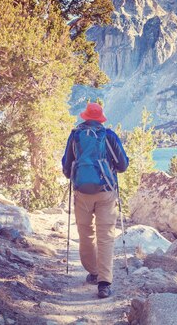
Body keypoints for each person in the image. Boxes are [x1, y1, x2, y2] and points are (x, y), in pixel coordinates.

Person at [61, 102, 129, 298]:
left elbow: (67, 167)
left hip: (82, 193)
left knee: (85, 234)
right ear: (101, 119)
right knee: (106, 236)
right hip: (106, 192)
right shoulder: (108, 136)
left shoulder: (75, 136)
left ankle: (93, 271)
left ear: (85, 117)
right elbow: (122, 165)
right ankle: (104, 283)